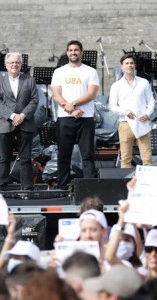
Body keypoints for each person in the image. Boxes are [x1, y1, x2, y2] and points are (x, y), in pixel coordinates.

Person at [51, 40, 99, 190]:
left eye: (76, 50)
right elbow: (56, 95)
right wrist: (72, 110)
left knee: (87, 156)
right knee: (64, 155)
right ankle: (62, 186)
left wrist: (74, 104)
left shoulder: (90, 71)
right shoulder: (59, 72)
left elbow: (91, 94)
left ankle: (89, 186)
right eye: (71, 50)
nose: (73, 52)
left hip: (85, 118)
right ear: (67, 53)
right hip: (65, 118)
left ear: (81, 53)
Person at [0, 52, 39, 191]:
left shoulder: (29, 80)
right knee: (4, 158)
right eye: (11, 62)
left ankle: (27, 187)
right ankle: (2, 187)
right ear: (6, 65)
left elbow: (35, 100)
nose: (14, 65)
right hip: (6, 124)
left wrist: (23, 115)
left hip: (25, 123)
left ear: (21, 65)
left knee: (25, 158)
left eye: (17, 62)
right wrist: (13, 116)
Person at [109, 53, 155, 168]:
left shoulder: (143, 82)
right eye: (127, 63)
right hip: (125, 124)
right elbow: (112, 106)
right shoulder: (116, 85)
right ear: (122, 66)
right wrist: (124, 111)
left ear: (135, 65)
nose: (129, 65)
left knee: (147, 158)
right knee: (125, 158)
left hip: (142, 122)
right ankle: (126, 185)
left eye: (131, 63)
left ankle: (148, 184)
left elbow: (151, 101)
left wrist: (147, 114)